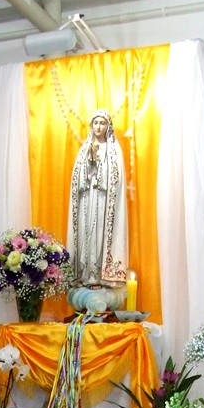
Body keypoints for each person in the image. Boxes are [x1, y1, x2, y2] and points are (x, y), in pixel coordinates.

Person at [67, 109, 128, 288]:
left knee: (100, 234)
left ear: (108, 126)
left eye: (102, 123)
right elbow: (77, 179)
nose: (98, 127)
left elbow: (116, 179)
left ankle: (100, 275)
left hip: (103, 201)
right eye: (95, 123)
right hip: (87, 200)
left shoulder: (113, 149)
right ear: (91, 125)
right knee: (86, 233)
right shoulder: (84, 149)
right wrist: (89, 163)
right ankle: (85, 274)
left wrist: (99, 165)